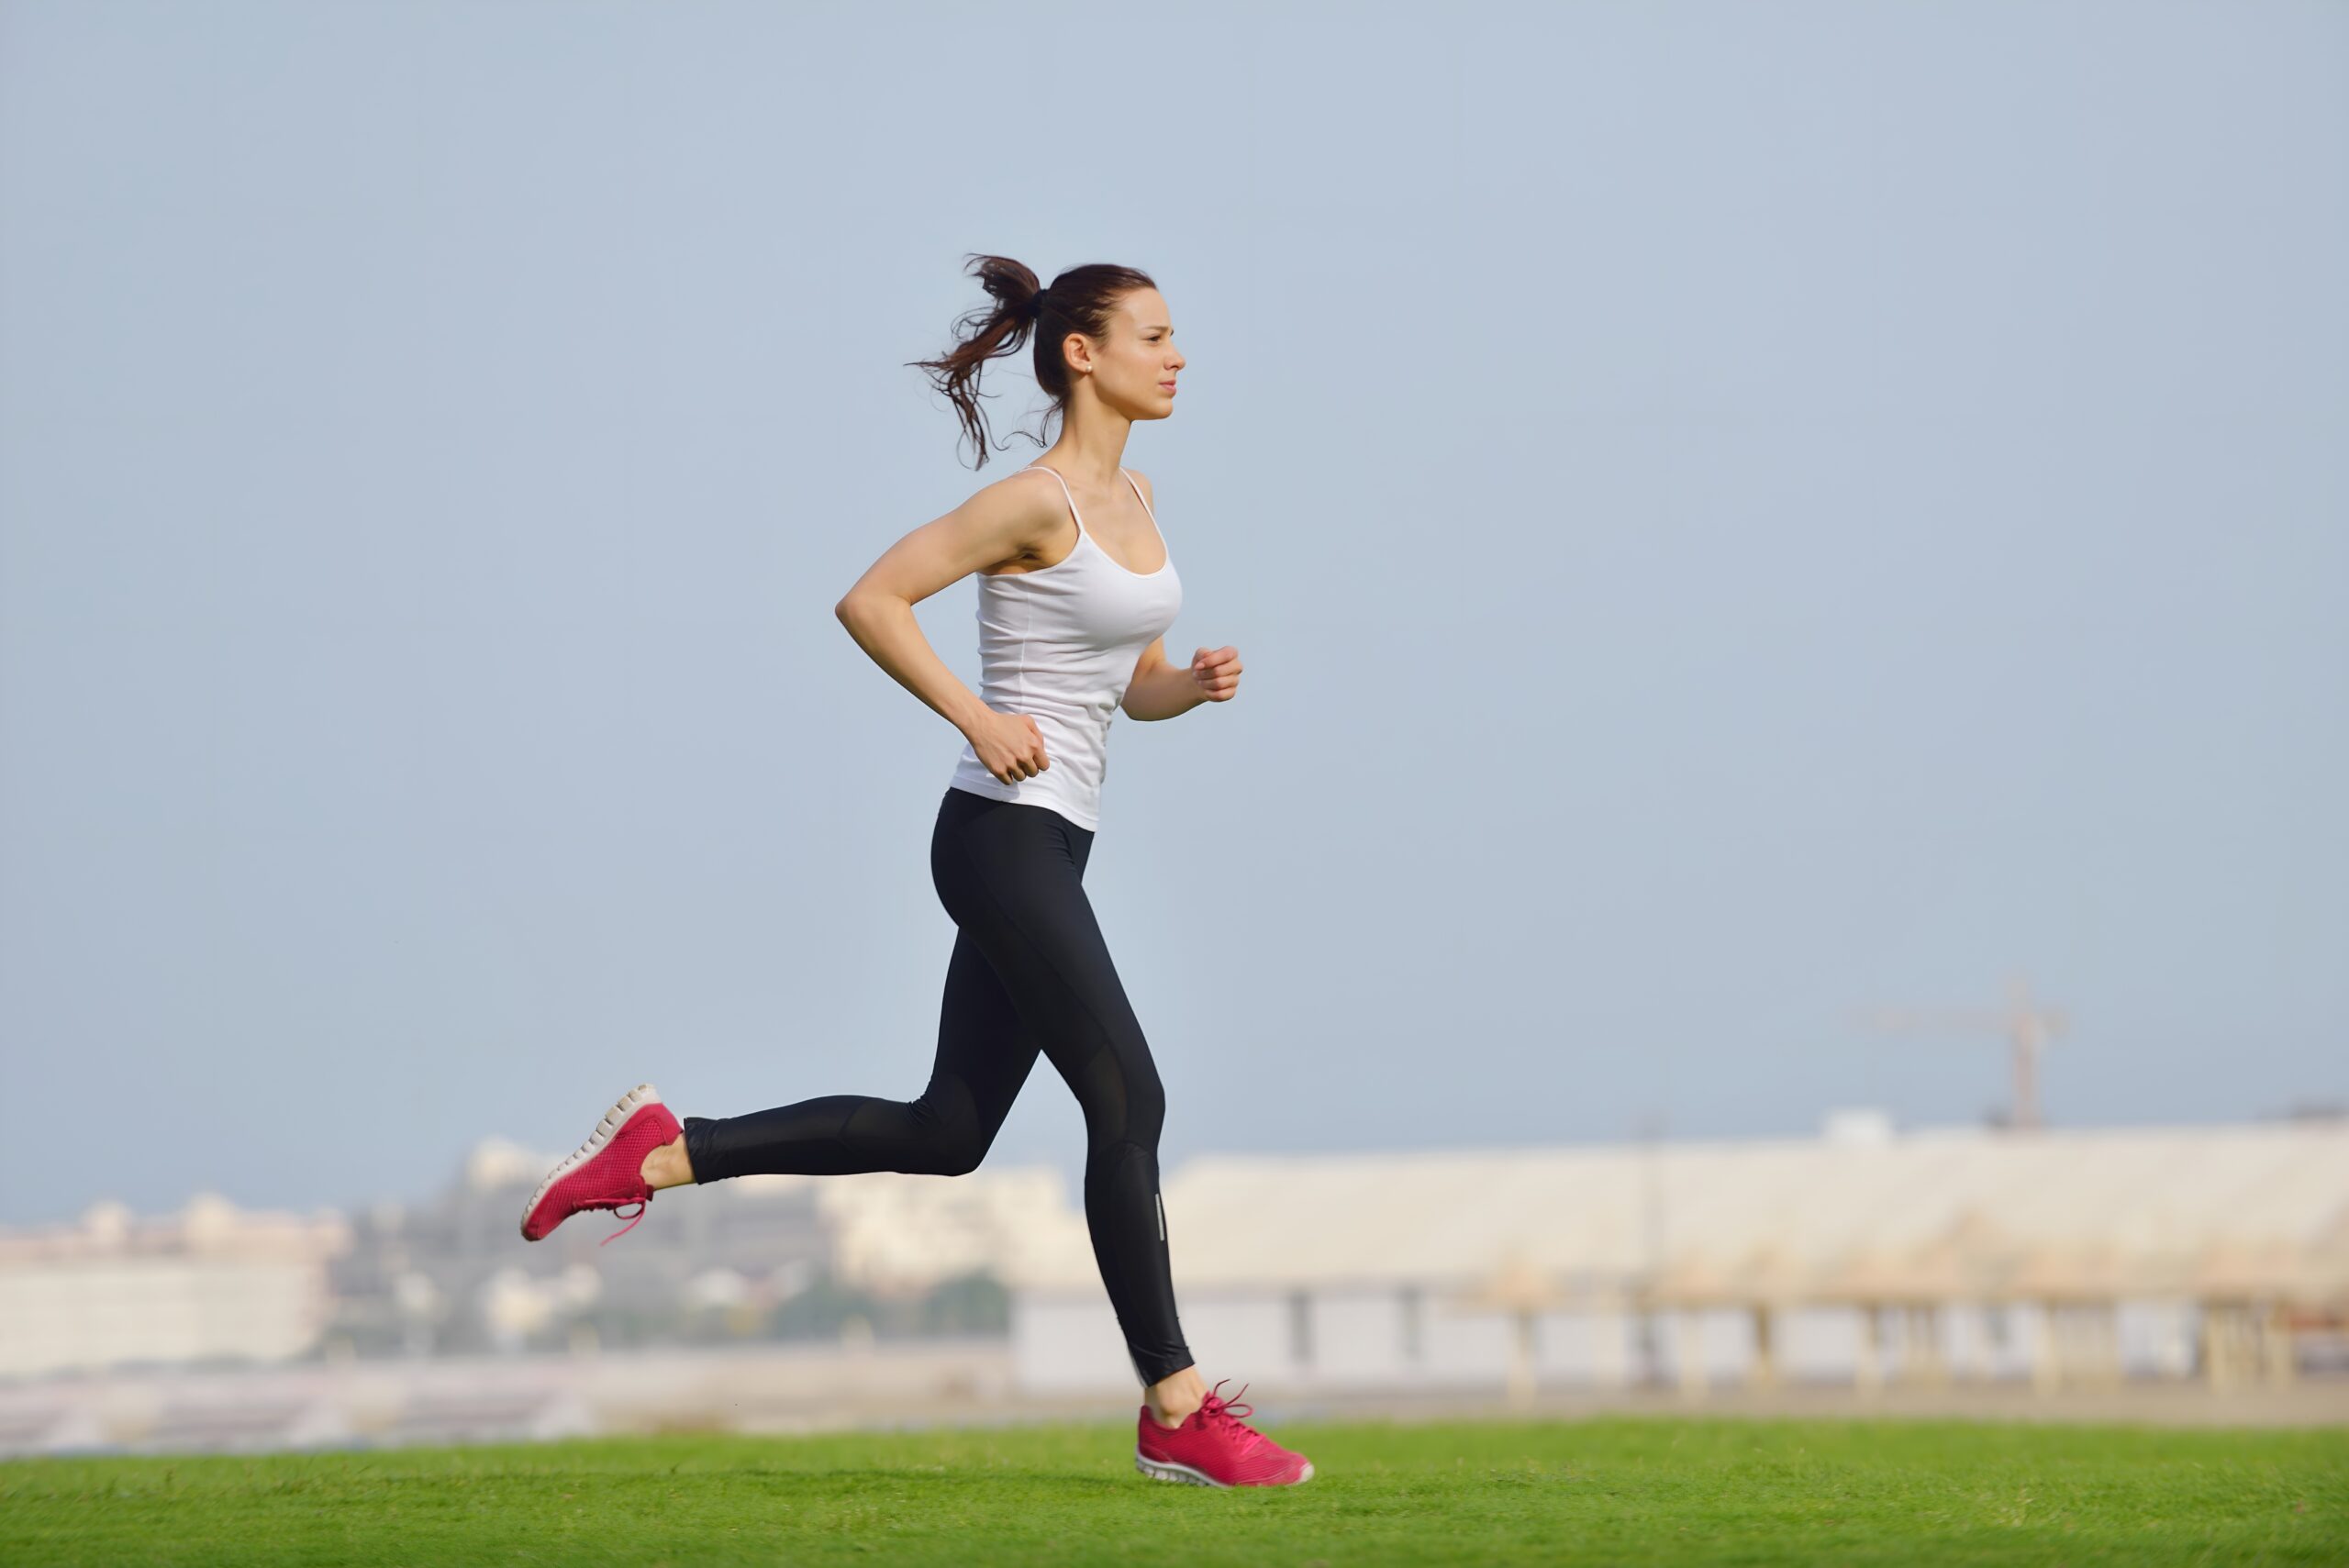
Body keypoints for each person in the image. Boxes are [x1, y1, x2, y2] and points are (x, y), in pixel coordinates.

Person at [516, 256, 1311, 1488]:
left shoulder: (1139, 498)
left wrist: (1185, 690)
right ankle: (1177, 1405)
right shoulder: (1031, 501)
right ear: (1083, 353)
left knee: (948, 1129)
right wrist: (976, 717)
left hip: (1055, 839)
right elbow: (875, 599)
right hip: (998, 834)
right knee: (1129, 1097)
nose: (1181, 353)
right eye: (1156, 334)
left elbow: (1123, 688)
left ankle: (667, 1149)